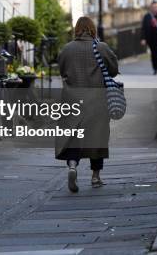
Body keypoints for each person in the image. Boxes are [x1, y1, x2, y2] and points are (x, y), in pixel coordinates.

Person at [56, 16, 119, 192]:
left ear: (76, 29)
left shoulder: (67, 49)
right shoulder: (101, 47)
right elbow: (113, 70)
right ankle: (95, 177)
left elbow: (62, 70)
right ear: (93, 29)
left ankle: (73, 166)